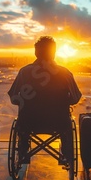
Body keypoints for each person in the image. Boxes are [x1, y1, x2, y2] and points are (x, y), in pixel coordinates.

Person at [8, 36, 82, 164]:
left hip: (29, 122)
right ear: (53, 53)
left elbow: (14, 98)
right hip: (59, 122)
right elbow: (75, 98)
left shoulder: (24, 72)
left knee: (22, 123)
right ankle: (66, 153)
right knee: (68, 124)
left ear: (36, 53)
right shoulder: (65, 73)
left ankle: (23, 151)